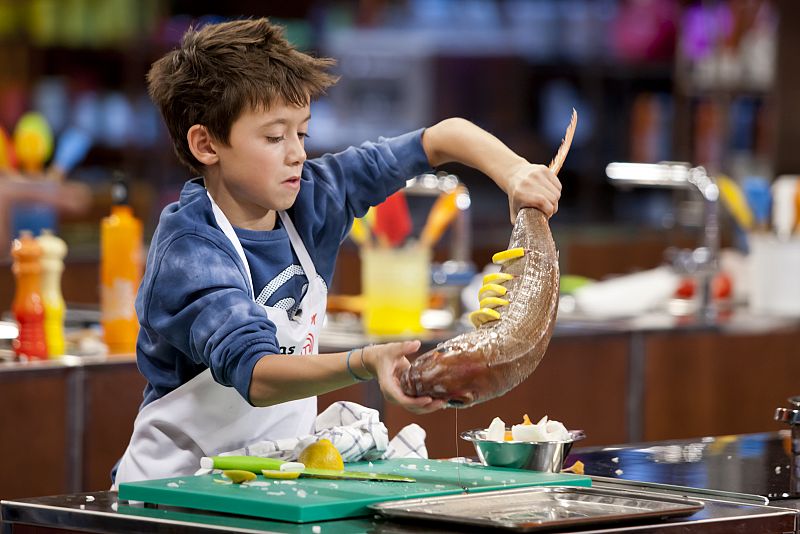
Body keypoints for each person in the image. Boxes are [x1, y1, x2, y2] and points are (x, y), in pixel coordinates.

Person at [113, 17, 561, 486]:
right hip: (174, 493)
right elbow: (258, 375)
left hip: (269, 482)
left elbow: (439, 139)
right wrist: (366, 362)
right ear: (206, 144)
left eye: (301, 134)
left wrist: (514, 173)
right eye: (274, 137)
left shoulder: (313, 199)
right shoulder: (190, 247)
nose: (296, 154)